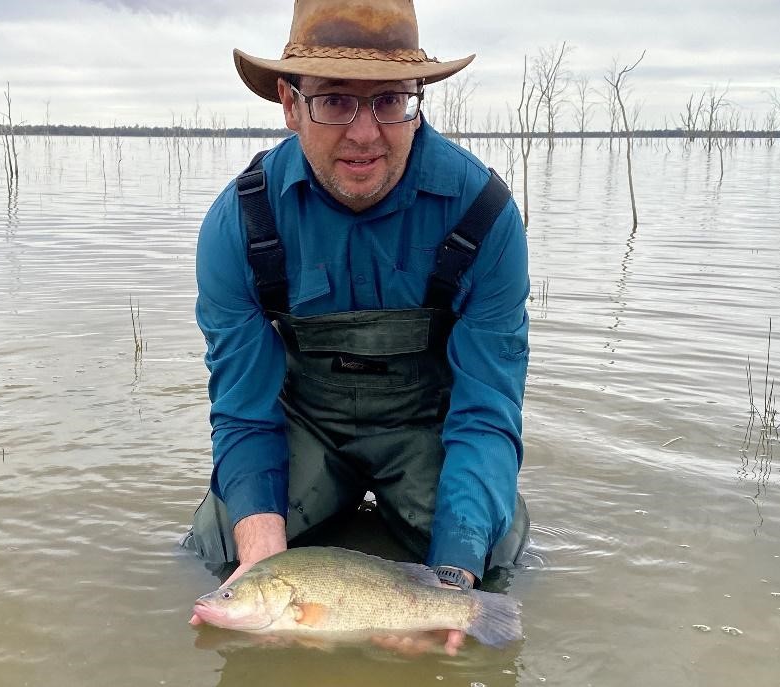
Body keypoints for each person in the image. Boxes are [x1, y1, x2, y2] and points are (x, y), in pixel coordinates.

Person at [185, 0, 530, 652]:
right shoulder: (239, 224)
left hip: (427, 431)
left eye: (391, 100)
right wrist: (265, 572)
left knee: (500, 550)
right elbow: (245, 413)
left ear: (419, 98)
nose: (367, 133)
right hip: (306, 430)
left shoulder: (484, 215)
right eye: (336, 101)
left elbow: (487, 414)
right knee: (215, 538)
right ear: (289, 103)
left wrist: (449, 586)